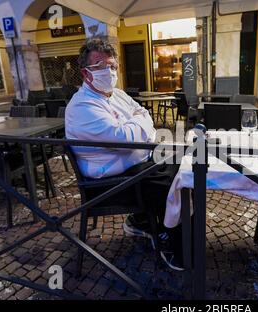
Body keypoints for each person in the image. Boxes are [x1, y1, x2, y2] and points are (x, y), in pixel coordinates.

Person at [65, 38, 184, 271]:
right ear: (86, 74)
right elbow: (125, 140)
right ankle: (179, 248)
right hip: (109, 184)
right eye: (100, 66)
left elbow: (144, 114)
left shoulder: (115, 94)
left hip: (136, 167)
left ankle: (146, 222)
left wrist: (135, 123)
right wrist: (137, 124)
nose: (108, 71)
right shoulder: (82, 107)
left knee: (183, 164)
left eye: (112, 66)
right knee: (173, 183)